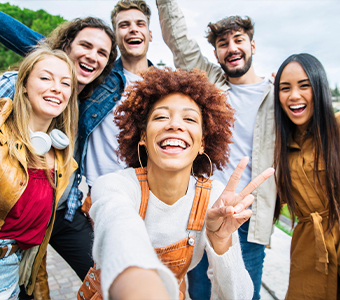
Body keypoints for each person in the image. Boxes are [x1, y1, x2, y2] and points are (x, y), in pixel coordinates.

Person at [88, 67, 274, 300]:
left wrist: (222, 242)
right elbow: (119, 227)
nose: (175, 125)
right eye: (161, 116)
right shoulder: (114, 186)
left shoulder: (214, 198)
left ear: (202, 143)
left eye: (189, 118)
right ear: (143, 137)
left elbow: (240, 297)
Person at [156, 1, 276, 299]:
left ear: (253, 45)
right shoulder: (211, 84)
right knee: (199, 291)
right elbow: (180, 41)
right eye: (223, 44)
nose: (232, 48)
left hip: (248, 216)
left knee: (242, 293)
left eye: (238, 40)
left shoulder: (277, 94)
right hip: (202, 208)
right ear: (216, 54)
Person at [0, 15, 116, 299]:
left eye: (102, 52)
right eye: (86, 45)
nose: (93, 56)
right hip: (14, 215)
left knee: (106, 275)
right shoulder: (13, 86)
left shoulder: (81, 100)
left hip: (58, 209)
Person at [0, 45, 78, 300]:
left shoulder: (60, 159)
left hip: (20, 267)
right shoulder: (2, 136)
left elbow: (39, 239)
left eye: (65, 83)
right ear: (23, 85)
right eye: (45, 78)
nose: (57, 88)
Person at [273, 53, 340, 300]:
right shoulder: (280, 147)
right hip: (307, 252)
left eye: (304, 85)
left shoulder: (337, 129)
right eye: (284, 88)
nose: (294, 96)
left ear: (320, 88)